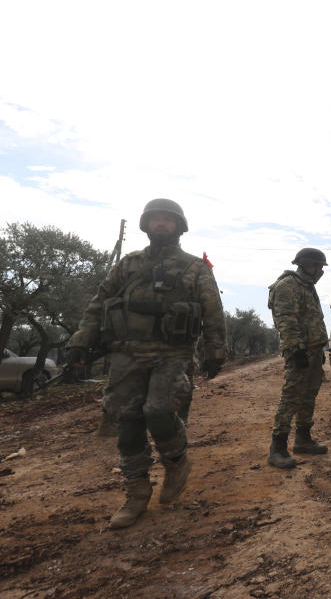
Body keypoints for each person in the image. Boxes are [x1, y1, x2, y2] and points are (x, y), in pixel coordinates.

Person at [65, 198, 226, 530]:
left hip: (172, 353)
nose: (162, 224)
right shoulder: (128, 265)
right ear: (146, 225)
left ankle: (176, 460)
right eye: (156, 219)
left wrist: (215, 352)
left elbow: (212, 311)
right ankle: (137, 493)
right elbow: (99, 303)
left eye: (168, 220)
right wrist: (80, 341)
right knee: (127, 425)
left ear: (179, 227)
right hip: (126, 354)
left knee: (159, 410)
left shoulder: (195, 268)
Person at [266, 247, 330, 469]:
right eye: (319, 267)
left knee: (309, 395)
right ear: (306, 265)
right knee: (291, 397)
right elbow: (285, 320)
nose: (321, 271)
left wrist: (317, 349)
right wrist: (297, 350)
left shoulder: (307, 286)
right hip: (299, 351)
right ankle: (277, 448)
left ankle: (303, 439)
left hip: (313, 350)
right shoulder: (288, 286)